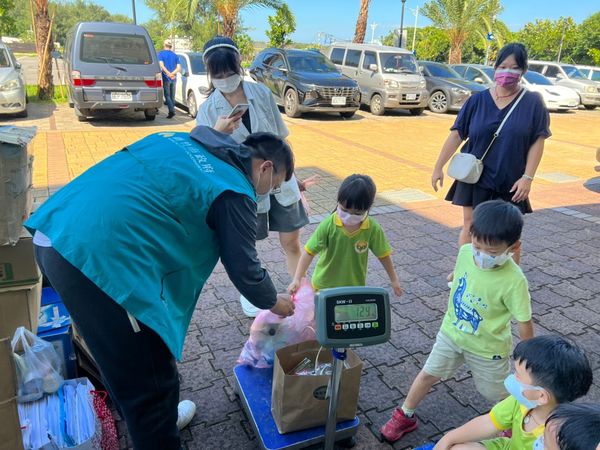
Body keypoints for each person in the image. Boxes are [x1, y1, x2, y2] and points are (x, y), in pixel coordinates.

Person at [25, 126, 296, 450]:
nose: (268, 191)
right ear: (265, 167)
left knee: (119, 357)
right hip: (96, 265)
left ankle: (156, 421)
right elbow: (245, 270)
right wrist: (276, 304)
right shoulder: (235, 188)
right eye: (274, 185)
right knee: (151, 381)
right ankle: (156, 427)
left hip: (55, 234)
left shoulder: (181, 139)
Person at [380, 200, 534, 443]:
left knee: (498, 393)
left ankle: (514, 420)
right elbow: (460, 270)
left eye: (492, 253)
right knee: (428, 373)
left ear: (513, 247)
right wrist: (453, 276)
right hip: (451, 334)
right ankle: (405, 414)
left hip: (488, 348)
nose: (482, 255)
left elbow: (524, 322)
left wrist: (531, 356)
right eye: (477, 246)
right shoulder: (465, 252)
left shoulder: (515, 280)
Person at [196, 36, 312, 317]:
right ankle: (252, 292)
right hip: (245, 187)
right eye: (219, 74)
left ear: (239, 66)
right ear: (211, 74)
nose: (226, 78)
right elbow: (203, 155)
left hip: (279, 179)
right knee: (247, 245)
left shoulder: (259, 94)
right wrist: (217, 133)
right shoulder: (208, 109)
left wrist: (291, 175)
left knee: (291, 242)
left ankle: (300, 287)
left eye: (230, 71)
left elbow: (281, 137)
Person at [430, 43, 551, 282]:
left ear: (524, 71)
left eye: (515, 67)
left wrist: (528, 177)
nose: (508, 72)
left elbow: (538, 140)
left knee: (509, 232)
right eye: (503, 66)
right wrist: (438, 166)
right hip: (476, 177)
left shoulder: (533, 102)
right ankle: (464, 271)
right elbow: (457, 134)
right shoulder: (477, 100)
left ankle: (510, 280)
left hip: (512, 179)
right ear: (495, 67)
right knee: (470, 226)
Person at [432, 335, 593, 450]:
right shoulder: (522, 401)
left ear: (541, 396)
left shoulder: (558, 436)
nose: (513, 377)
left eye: (518, 374)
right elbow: (489, 422)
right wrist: (448, 438)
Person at [288, 174, 403, 296]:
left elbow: (383, 255)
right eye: (344, 210)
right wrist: (297, 279)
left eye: (357, 213)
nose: (349, 216)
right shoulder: (328, 225)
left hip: (354, 288)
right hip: (324, 287)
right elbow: (309, 252)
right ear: (338, 201)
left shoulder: (372, 229)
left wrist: (394, 280)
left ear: (368, 208)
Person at [158, 39, 180, 118]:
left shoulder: (161, 54)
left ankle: (171, 111)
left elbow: (161, 65)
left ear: (164, 45)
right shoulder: (175, 55)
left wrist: (168, 74)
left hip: (166, 78)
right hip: (174, 78)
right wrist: (172, 74)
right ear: (170, 46)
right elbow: (179, 68)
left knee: (167, 95)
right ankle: (171, 112)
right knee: (172, 96)